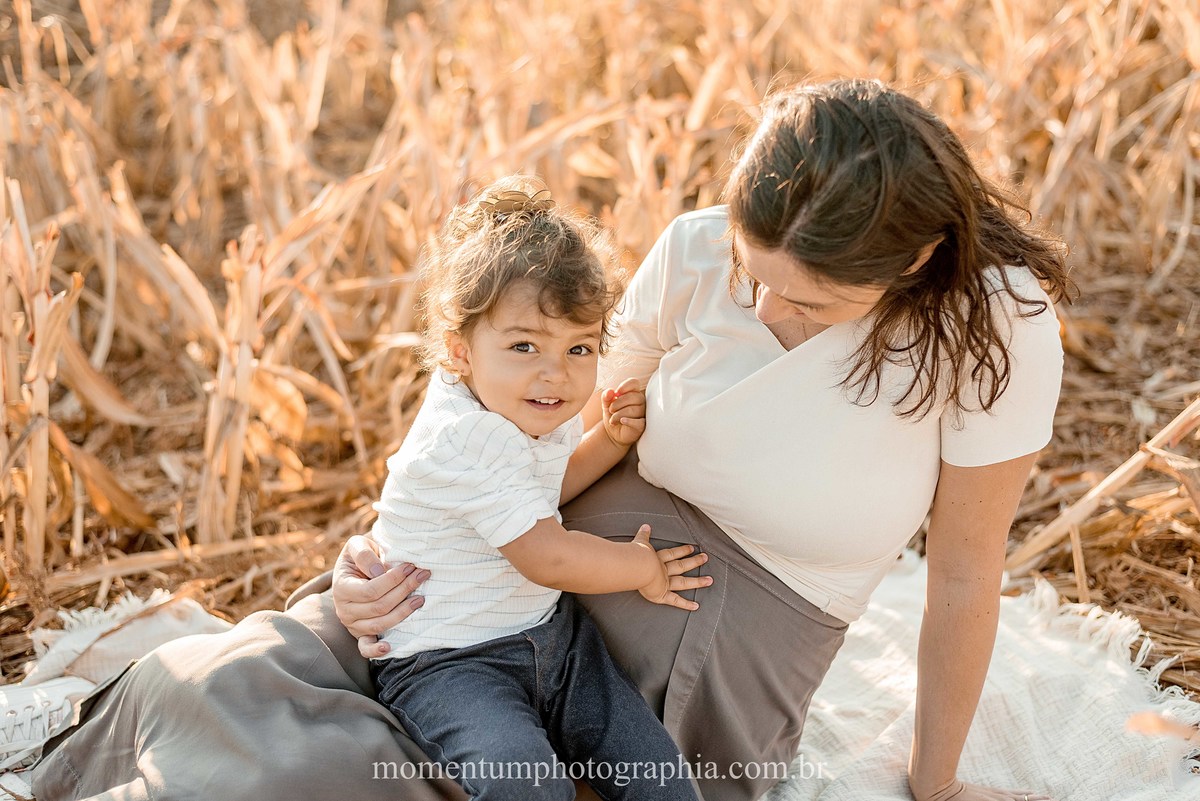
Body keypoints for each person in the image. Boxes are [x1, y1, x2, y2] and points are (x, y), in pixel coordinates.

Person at [31, 79, 1069, 801]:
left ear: (918, 258)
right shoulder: (700, 251)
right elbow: (523, 424)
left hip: (712, 632)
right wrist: (387, 550)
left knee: (364, 780)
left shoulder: (994, 328)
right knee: (262, 677)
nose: (760, 304)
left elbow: (968, 576)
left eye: (806, 300)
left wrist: (934, 787)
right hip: (522, 551)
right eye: (753, 271)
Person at [366, 176, 704, 800]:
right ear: (458, 351)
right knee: (526, 785)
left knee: (658, 777)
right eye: (524, 345)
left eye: (580, 347)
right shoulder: (465, 438)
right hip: (450, 662)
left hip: (553, 638)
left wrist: (607, 441)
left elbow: (540, 492)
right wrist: (641, 567)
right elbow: (546, 554)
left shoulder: (522, 401)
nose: (557, 373)